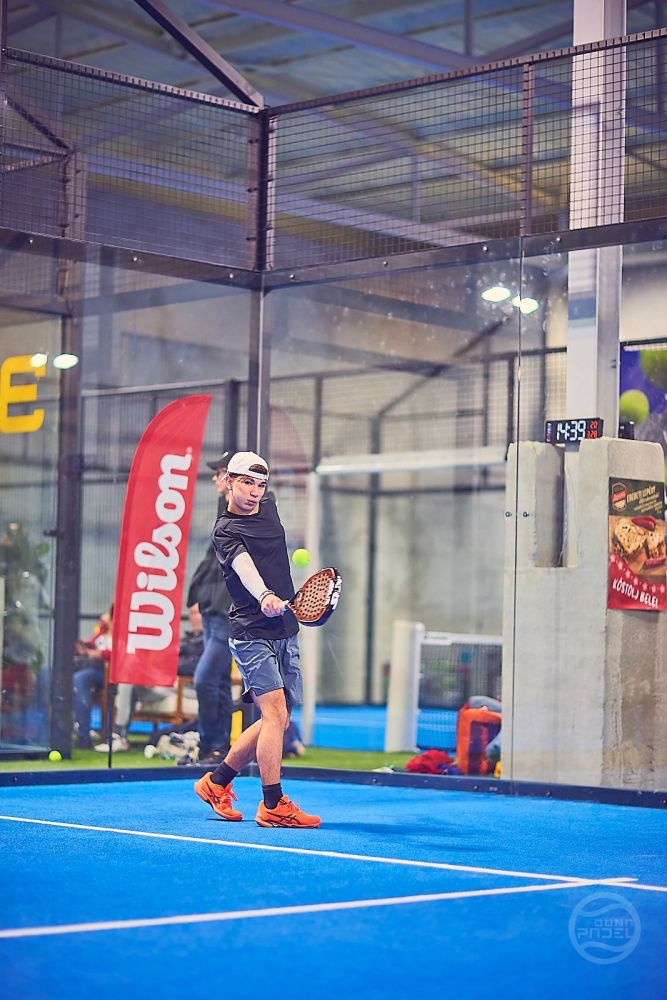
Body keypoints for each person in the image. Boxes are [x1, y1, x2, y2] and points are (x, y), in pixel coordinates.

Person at [194, 451, 320, 828]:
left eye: (260, 484)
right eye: (246, 483)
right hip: (251, 632)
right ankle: (273, 804)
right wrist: (264, 594)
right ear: (229, 482)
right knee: (275, 714)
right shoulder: (225, 530)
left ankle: (216, 783)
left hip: (286, 628)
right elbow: (243, 565)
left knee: (277, 719)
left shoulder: (269, 505)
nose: (254, 491)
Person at [93, 604, 204, 753]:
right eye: (192, 613)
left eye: (198, 613)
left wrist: (166, 665)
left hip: (182, 688)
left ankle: (119, 736)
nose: (195, 617)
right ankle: (119, 736)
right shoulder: (185, 640)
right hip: (163, 685)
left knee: (130, 680)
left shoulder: (211, 642)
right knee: (128, 680)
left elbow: (194, 668)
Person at [185, 451, 235, 766]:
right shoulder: (223, 513)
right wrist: (197, 597)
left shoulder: (256, 511)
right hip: (211, 611)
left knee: (204, 679)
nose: (215, 478)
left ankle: (214, 746)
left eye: (220, 473)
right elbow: (211, 559)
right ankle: (214, 750)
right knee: (216, 683)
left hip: (229, 616)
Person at [72, 604, 113, 749]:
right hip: (90, 667)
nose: (103, 616)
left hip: (105, 672)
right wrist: (83, 647)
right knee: (52, 672)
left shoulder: (121, 635)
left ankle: (84, 735)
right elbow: (90, 644)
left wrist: (100, 654)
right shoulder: (102, 633)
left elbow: (120, 654)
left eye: (107, 614)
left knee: (79, 679)